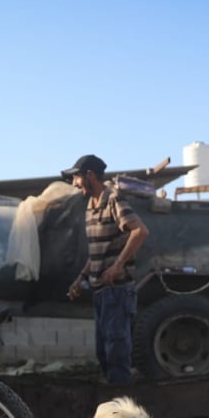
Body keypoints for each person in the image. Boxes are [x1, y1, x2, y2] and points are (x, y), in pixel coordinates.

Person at [63, 154, 149, 385]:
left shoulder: (114, 200)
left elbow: (140, 231)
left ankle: (122, 409)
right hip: (100, 293)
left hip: (117, 291)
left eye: (77, 178)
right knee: (103, 353)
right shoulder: (90, 208)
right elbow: (97, 252)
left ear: (90, 176)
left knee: (116, 353)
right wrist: (80, 278)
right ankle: (116, 401)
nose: (74, 184)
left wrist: (118, 266)